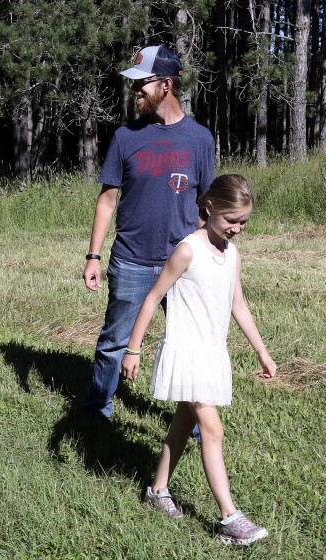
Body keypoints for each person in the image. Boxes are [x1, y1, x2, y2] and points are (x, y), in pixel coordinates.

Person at [121, 174, 276, 546]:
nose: (238, 229)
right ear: (209, 208)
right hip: (185, 352)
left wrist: (262, 351)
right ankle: (229, 518)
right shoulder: (188, 249)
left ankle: (158, 491)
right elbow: (152, 296)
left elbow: (238, 304)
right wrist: (133, 349)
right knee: (212, 430)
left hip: (211, 354)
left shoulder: (232, 253)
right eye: (231, 220)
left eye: (244, 222)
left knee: (180, 426)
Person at [82, 45, 215, 420]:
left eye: (143, 83)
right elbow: (107, 200)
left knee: (188, 344)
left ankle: (190, 420)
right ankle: (96, 412)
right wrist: (93, 256)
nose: (135, 89)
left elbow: (206, 206)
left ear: (167, 85)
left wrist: (204, 256)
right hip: (131, 260)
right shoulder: (126, 136)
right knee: (113, 341)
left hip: (182, 263)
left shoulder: (200, 139)